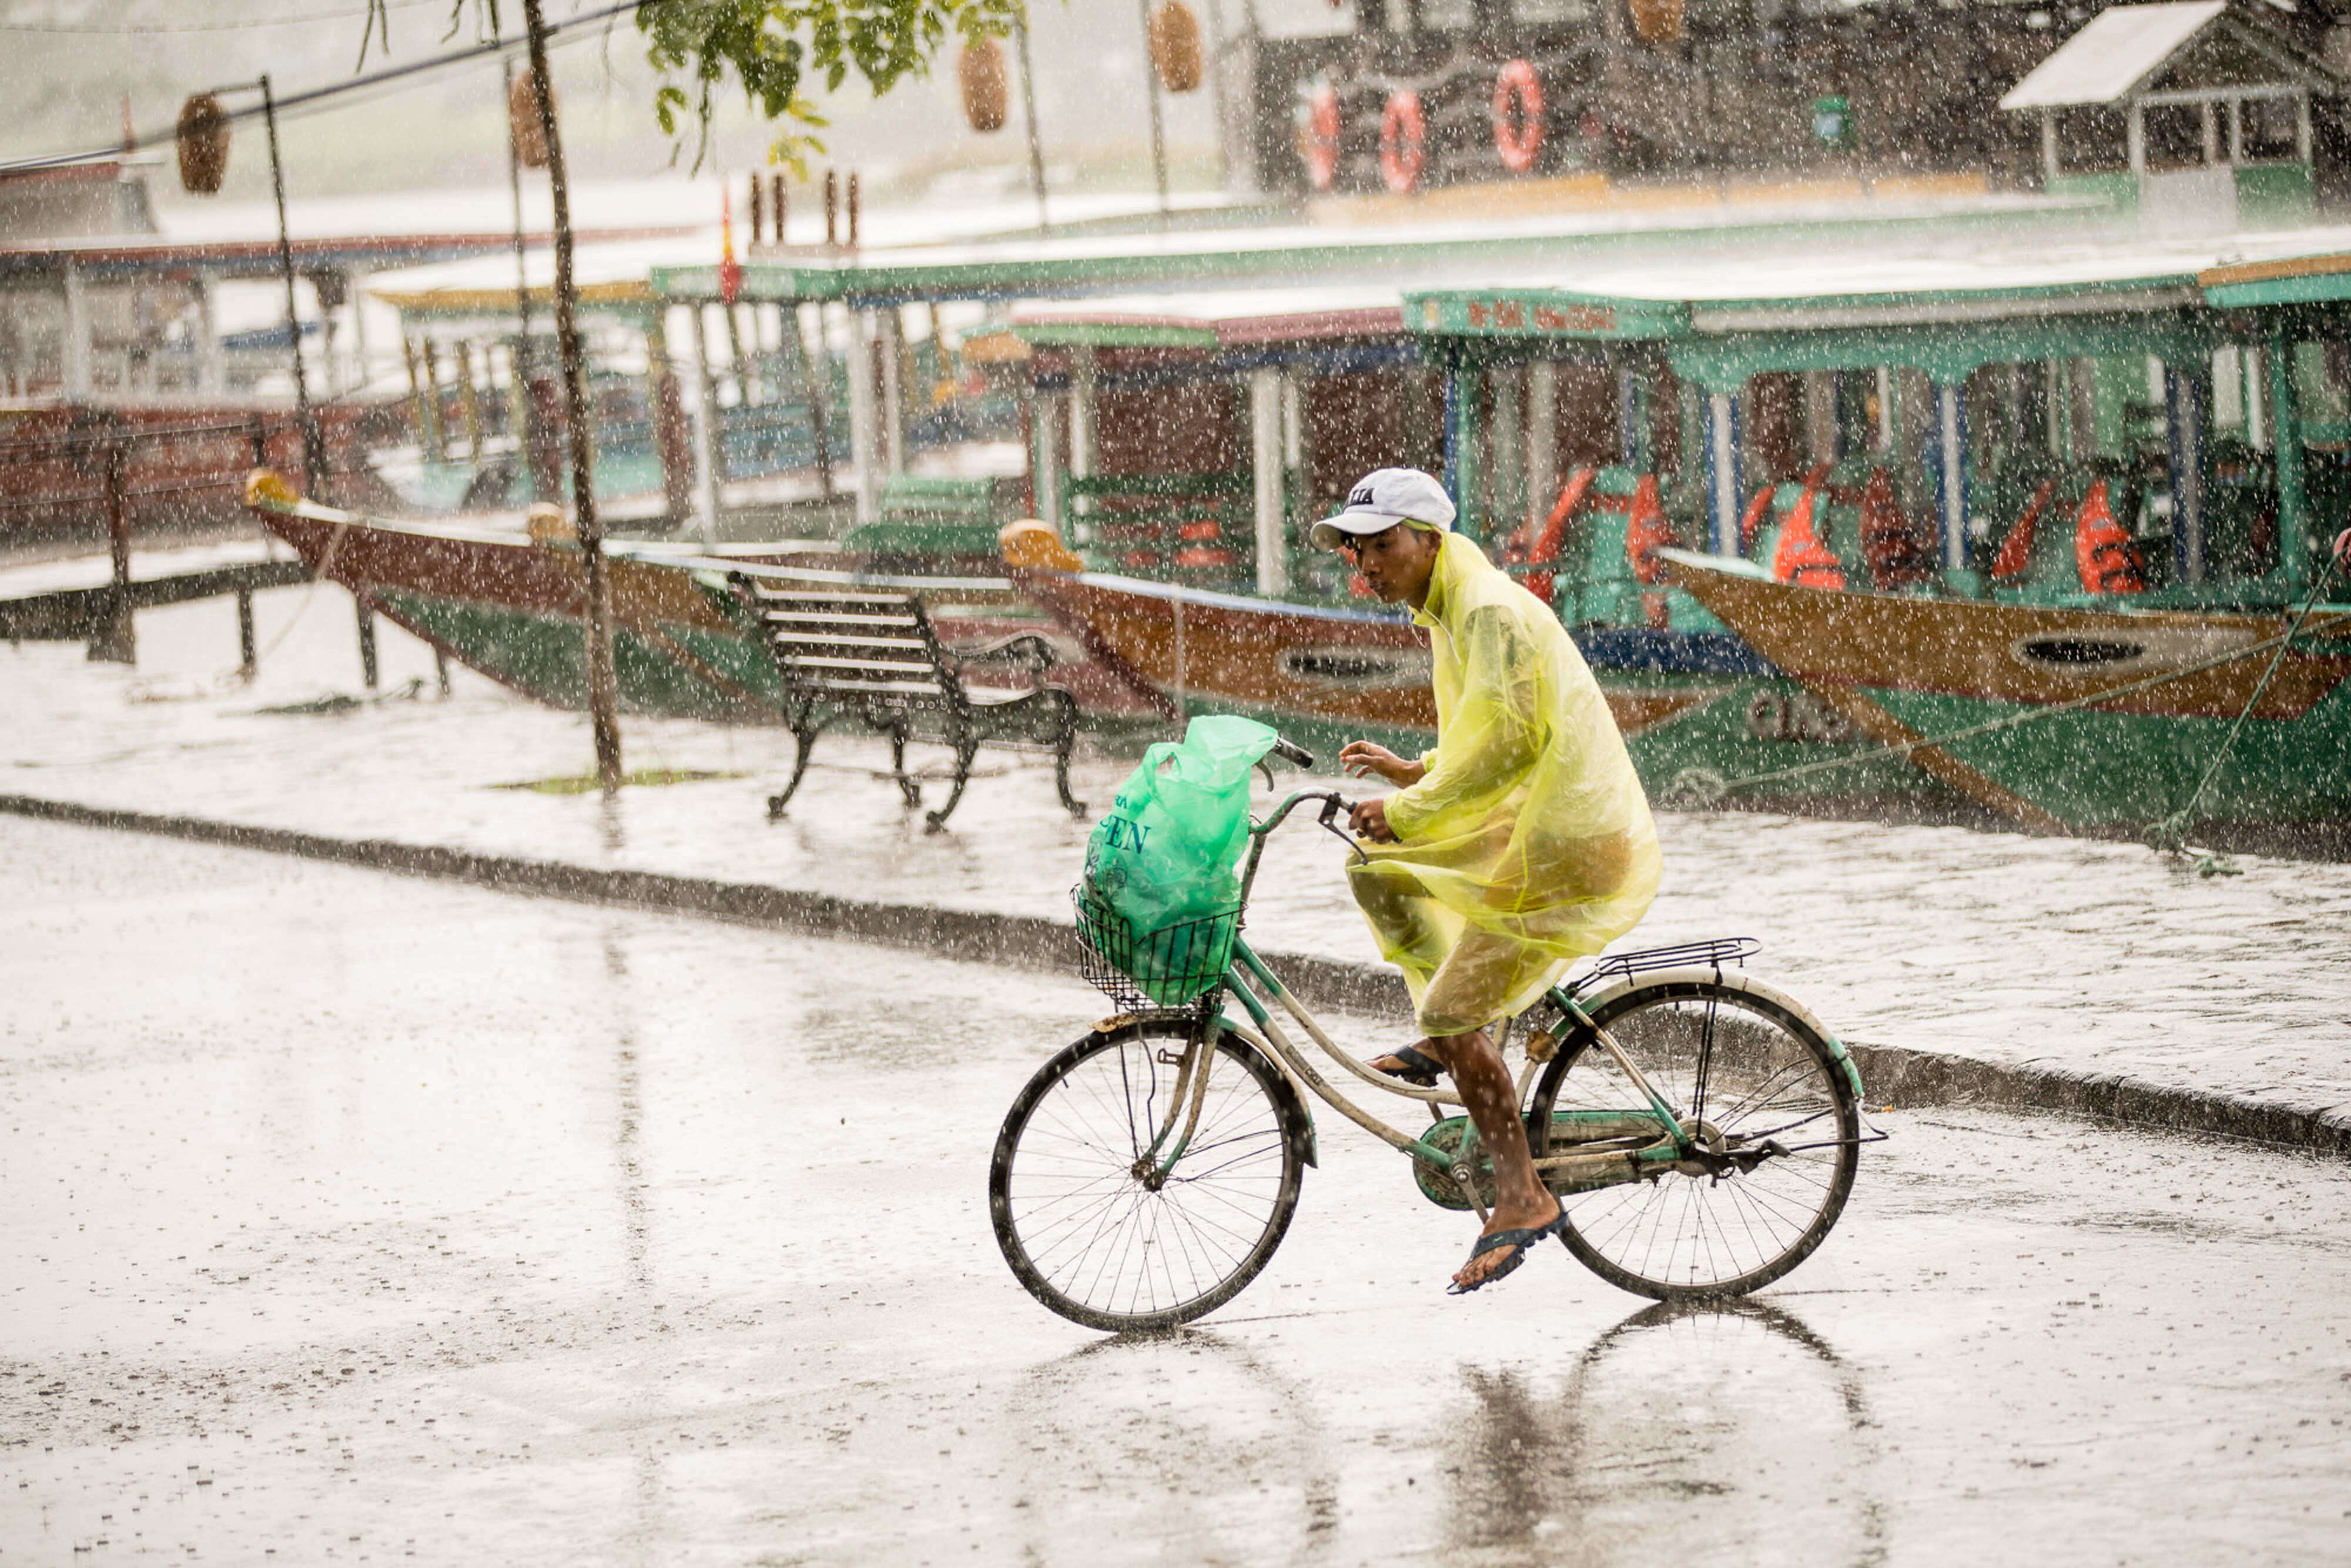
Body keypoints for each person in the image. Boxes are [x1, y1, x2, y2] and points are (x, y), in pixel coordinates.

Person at [1312, 468, 1662, 1294]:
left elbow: (1510, 744)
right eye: (1357, 553)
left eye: (1383, 546)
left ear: (1430, 540)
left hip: (1569, 837)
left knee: (1450, 997)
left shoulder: (1489, 609)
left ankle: (1521, 1197)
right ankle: (1451, 1042)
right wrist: (1416, 773)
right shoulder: (1451, 608)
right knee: (1381, 873)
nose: (1367, 567)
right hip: (1536, 825)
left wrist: (1410, 808)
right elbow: (1485, 735)